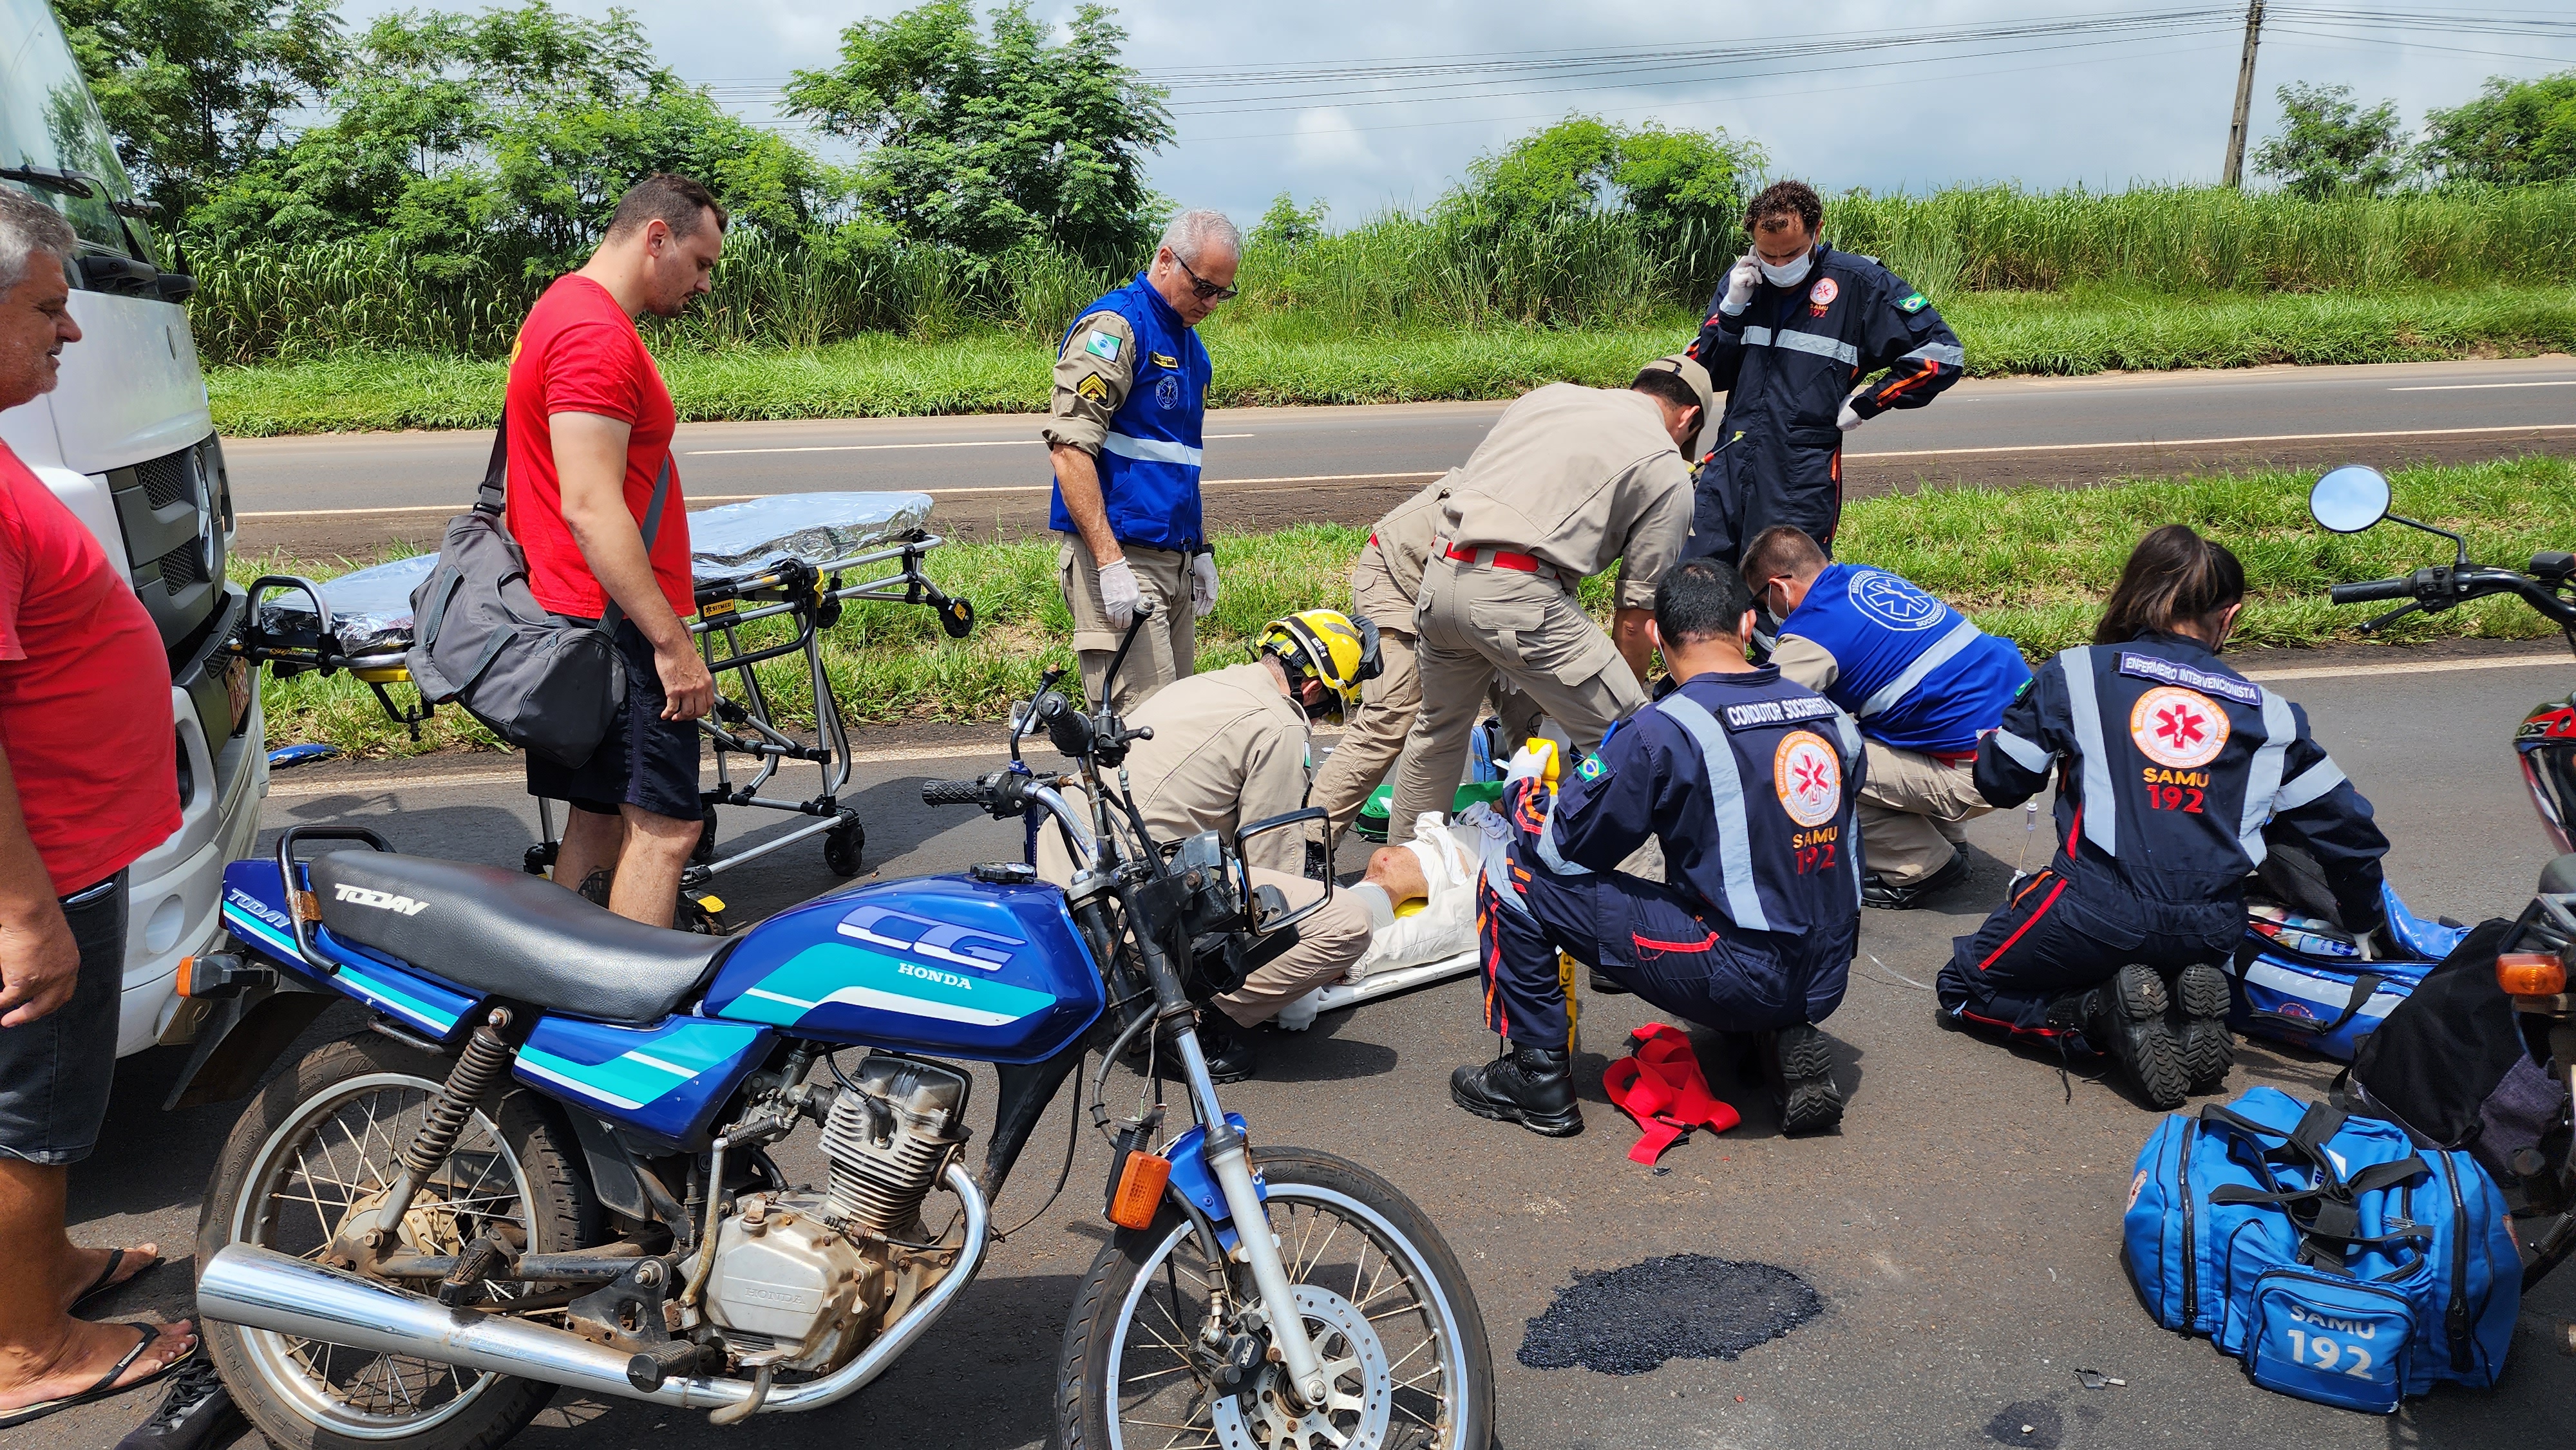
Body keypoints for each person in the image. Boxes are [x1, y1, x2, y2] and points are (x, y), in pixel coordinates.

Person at [1936, 525, 2391, 1109]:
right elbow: (2349, 836)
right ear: (2230, 616)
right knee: (2153, 958)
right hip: (2210, 931)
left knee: (1964, 983)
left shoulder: (2077, 674)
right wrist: (2362, 926)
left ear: (2134, 594)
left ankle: (2097, 1019)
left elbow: (2002, 782)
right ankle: (2172, 999)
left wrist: (2008, 734)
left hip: (2091, 911)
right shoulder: (2274, 717)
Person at [0, 190, 199, 1429]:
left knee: (39, 1103)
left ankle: (44, 1272)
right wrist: (23, 910)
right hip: (42, 858)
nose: (69, 336)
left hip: (72, 837)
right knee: (34, 1111)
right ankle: (29, 1351)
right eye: (45, 310)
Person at [1450, 559, 1864, 1138]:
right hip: (1827, 972)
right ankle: (1774, 1028)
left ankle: (1536, 1076)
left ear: (1654, 635)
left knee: (1510, 870)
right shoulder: (1830, 717)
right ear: (1748, 625)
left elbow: (1564, 847)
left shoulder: (1663, 729)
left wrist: (1523, 789)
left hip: (1738, 969)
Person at [1037, 610, 1383, 1081]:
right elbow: (1270, 868)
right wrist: (1300, 977)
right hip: (1122, 903)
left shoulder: (1206, 684)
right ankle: (1182, 1021)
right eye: (1328, 709)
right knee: (1345, 921)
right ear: (1314, 690)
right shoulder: (1280, 724)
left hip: (1062, 873)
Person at [508, 173, 723, 928]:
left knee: (598, 818)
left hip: (587, 616)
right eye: (700, 263)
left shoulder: (560, 306)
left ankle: (556, 1004)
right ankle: (623, 1025)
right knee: (668, 831)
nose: (703, 284)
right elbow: (593, 506)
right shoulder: (595, 334)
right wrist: (670, 643)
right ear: (654, 238)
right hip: (619, 627)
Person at [1386, 356, 1710, 833]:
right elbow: (1636, 618)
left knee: (1437, 732)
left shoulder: (1548, 397)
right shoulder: (1665, 465)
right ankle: (1654, 890)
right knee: (1638, 743)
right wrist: (1622, 701)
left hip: (1442, 575)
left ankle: (1402, 872)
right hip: (1517, 594)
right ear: (1687, 418)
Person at [1741, 525, 2031, 909]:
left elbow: (1756, 711)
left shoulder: (1812, 634)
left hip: (1978, 772)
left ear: (1779, 588)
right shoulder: (1865, 578)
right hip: (2019, 739)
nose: (1766, 613)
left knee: (1807, 762)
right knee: (1870, 726)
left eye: (1762, 603)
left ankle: (1921, 867)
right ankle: (1946, 839)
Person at [1683, 180, 1964, 566]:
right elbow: (1706, 373)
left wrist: (1870, 401)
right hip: (1729, 461)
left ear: (1817, 232)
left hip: (1800, 475)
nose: (1780, 266)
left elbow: (1942, 353)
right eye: (1768, 255)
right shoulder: (1744, 281)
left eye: (1792, 254)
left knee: (1780, 592)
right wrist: (1731, 312)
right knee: (1701, 580)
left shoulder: (1859, 283)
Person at [1045, 209, 1240, 715]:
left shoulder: (1190, 346)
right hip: (1121, 557)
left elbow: (1178, 460)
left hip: (1172, 560)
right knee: (1141, 731)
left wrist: (1197, 550)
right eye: (1203, 287)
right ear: (1165, 260)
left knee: (1175, 726)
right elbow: (1070, 450)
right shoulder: (1115, 329)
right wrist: (1110, 564)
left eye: (1223, 292)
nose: (1212, 303)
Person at [1308, 477, 1542, 840]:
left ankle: (1542, 832)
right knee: (1393, 714)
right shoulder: (1538, 478)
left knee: (1531, 712)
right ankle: (1308, 845)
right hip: (1404, 575)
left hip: (1486, 585)